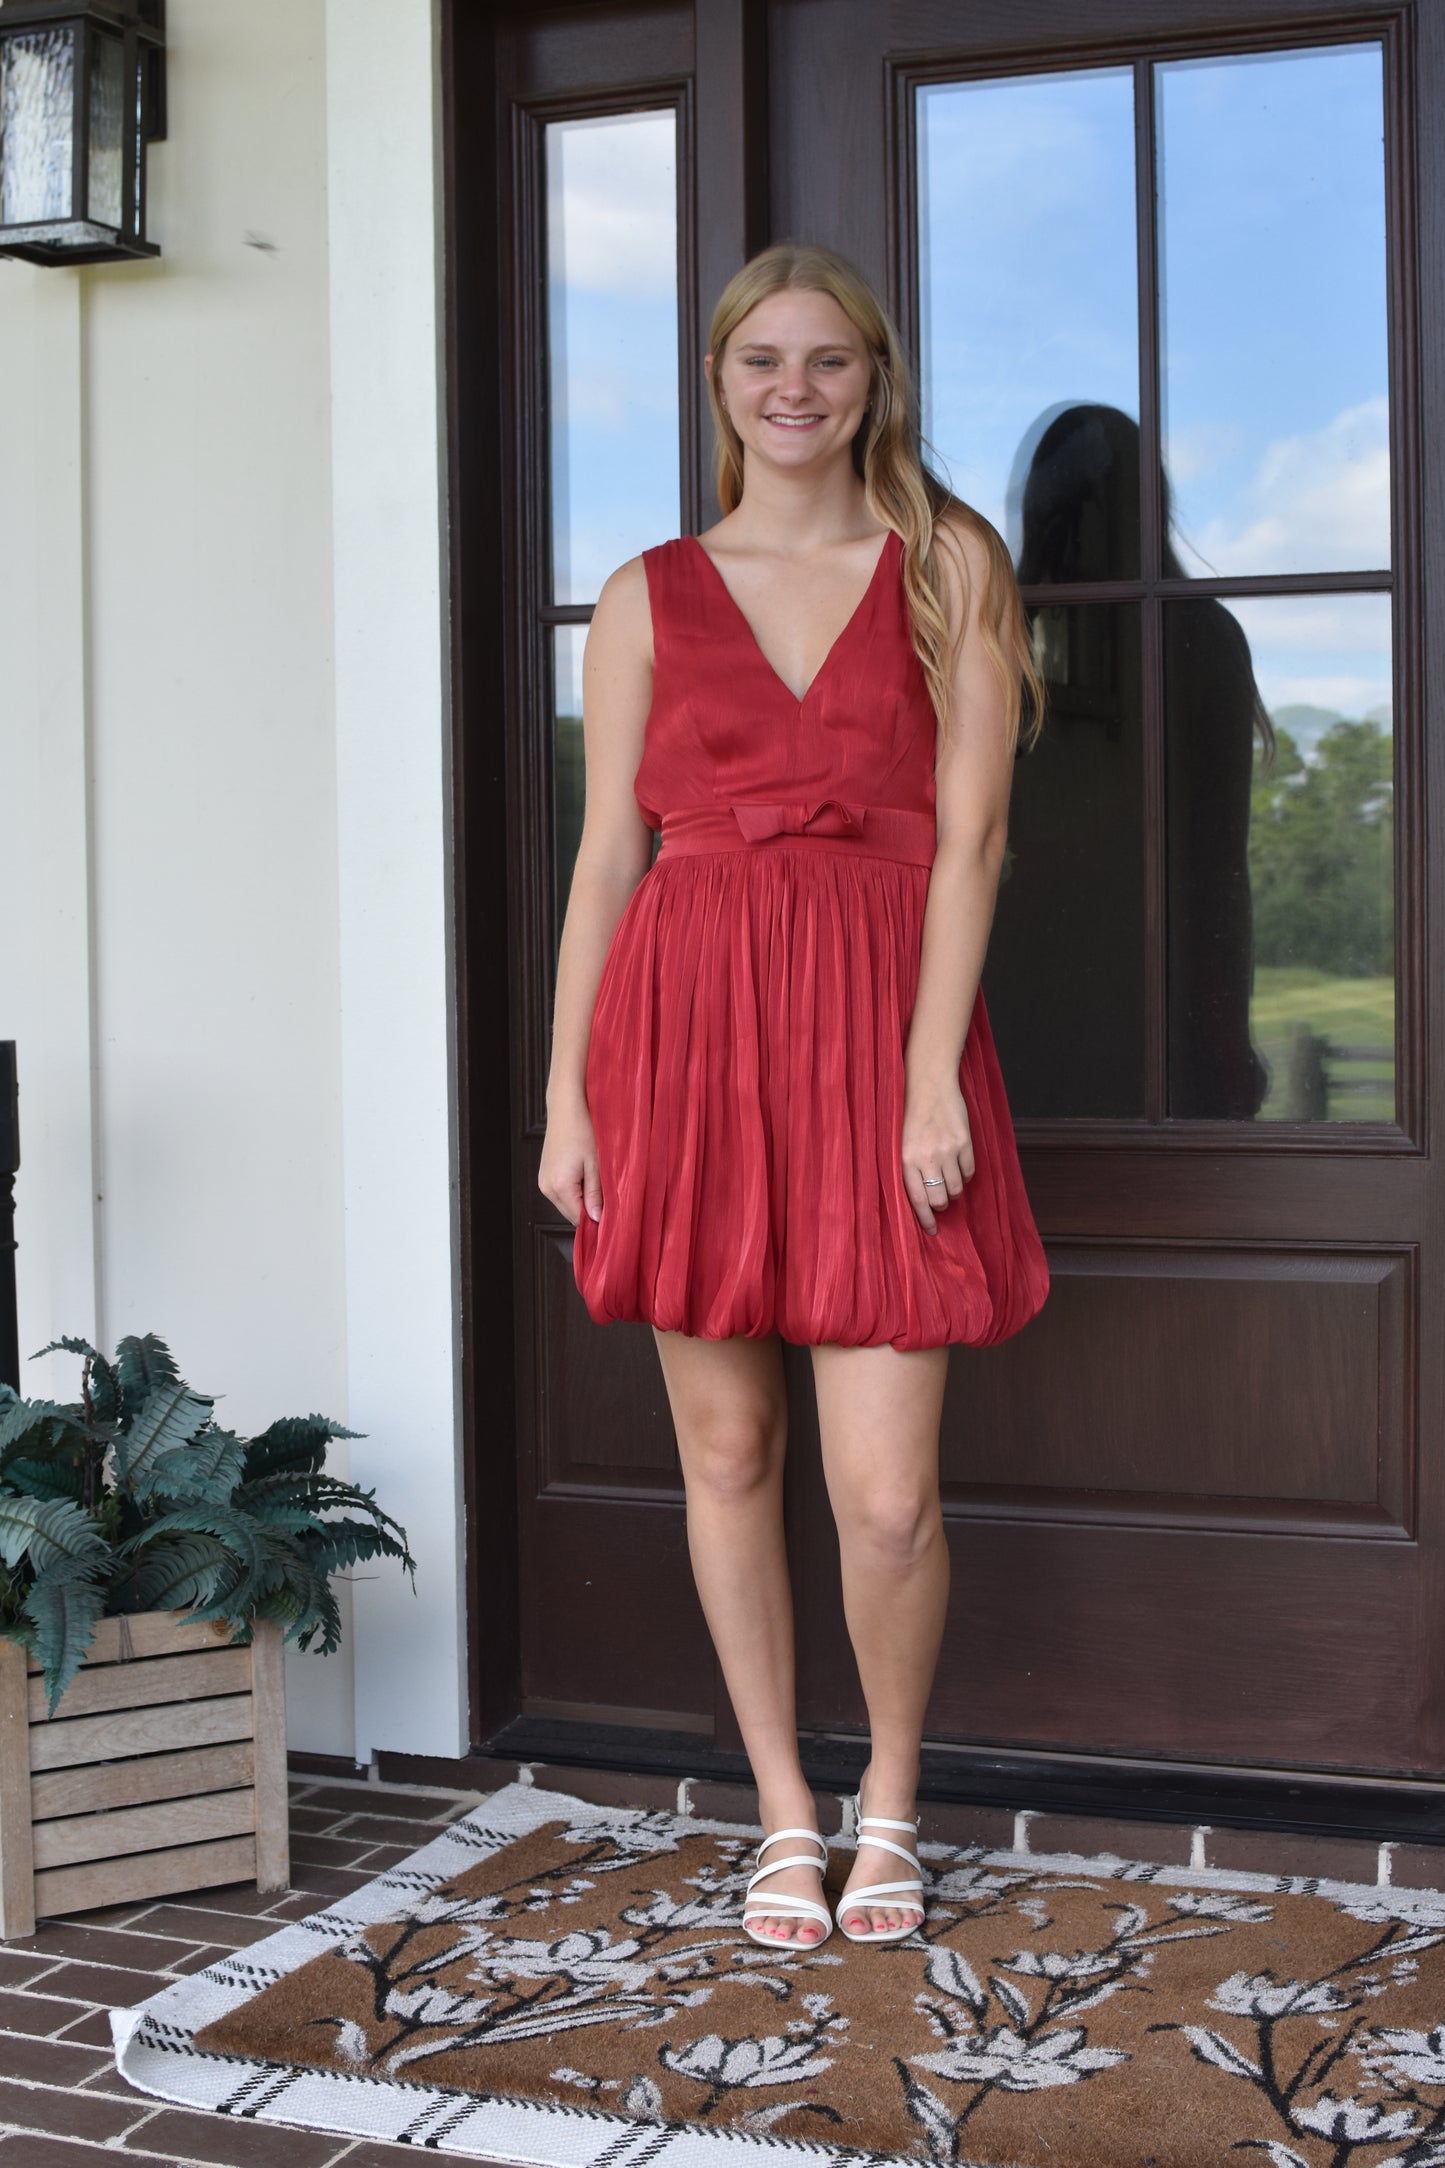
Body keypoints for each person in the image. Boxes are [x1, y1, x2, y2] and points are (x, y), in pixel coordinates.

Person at [539, 242, 1049, 1950]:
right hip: (683, 1037)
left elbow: (970, 839)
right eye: (762, 359)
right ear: (719, 381)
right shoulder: (642, 591)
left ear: (871, 379)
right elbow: (607, 856)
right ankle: (779, 1806)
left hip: (878, 1031)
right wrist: (567, 1097)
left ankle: (890, 1803)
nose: (795, 389)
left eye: (828, 361)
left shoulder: (947, 566)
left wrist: (926, 1078)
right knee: (729, 1445)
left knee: (887, 1491)